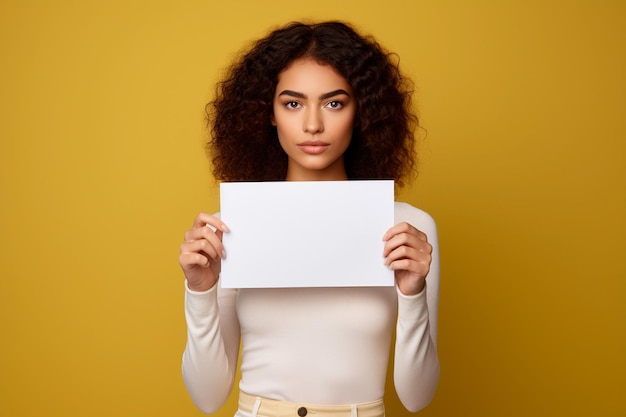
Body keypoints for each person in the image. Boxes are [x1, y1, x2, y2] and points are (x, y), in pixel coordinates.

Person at [179, 21, 440, 417]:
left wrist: (412, 294)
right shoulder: (231, 226)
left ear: (361, 111)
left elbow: (416, 397)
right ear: (268, 112)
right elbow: (208, 397)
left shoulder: (406, 229)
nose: (313, 124)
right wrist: (199, 291)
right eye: (293, 103)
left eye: (334, 103)